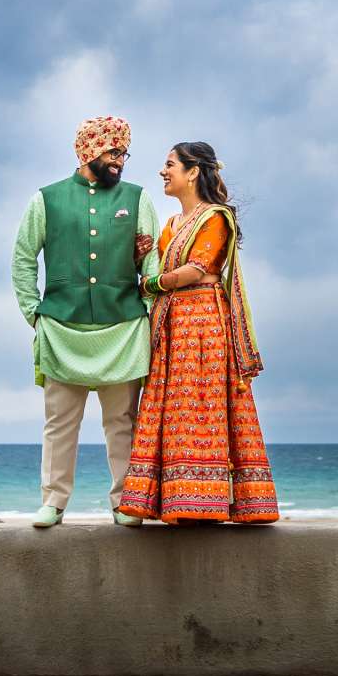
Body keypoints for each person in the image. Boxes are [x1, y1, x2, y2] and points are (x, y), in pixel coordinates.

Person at [10, 116, 163, 528]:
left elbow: (151, 262)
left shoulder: (139, 198)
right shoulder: (46, 199)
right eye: (113, 152)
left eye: (123, 153)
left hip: (125, 328)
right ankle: (54, 502)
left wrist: (149, 311)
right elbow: (24, 259)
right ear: (87, 151)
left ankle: (125, 501)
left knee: (123, 423)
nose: (120, 161)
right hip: (61, 330)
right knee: (60, 424)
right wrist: (34, 314)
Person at [117, 142, 279, 525]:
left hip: (202, 323)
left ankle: (204, 502)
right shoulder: (171, 225)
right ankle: (174, 501)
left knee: (201, 404)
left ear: (193, 172)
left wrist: (152, 283)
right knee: (171, 406)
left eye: (170, 164)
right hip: (171, 323)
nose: (162, 171)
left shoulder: (214, 218)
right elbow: (155, 262)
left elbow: (197, 267)